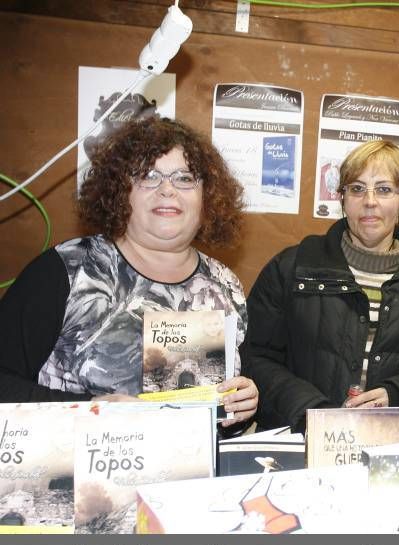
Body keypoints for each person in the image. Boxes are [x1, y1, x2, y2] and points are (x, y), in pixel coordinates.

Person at [0, 117, 258, 428]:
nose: (167, 190)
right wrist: (90, 410)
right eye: (148, 176)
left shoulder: (224, 284)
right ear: (120, 190)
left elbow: (215, 416)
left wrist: (239, 407)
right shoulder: (66, 271)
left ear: (208, 196)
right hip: (71, 468)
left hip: (190, 471)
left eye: (185, 178)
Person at [243, 140, 399, 436]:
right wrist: (314, 413)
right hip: (302, 443)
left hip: (395, 451)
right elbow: (255, 358)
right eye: (356, 188)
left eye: (384, 189)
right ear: (342, 198)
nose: (369, 201)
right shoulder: (292, 268)